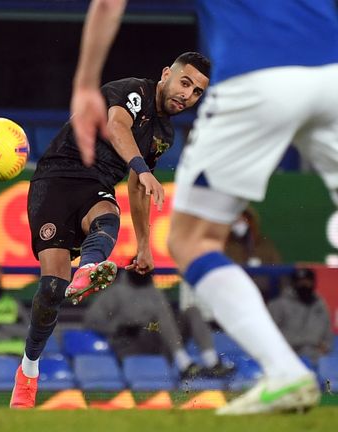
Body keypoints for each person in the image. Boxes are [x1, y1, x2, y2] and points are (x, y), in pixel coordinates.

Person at [70, 0, 338, 415]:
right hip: (333, 72)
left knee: (192, 240)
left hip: (256, 75)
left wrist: (86, 83)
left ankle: (285, 372)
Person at [11, 52, 210, 408]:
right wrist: (142, 168)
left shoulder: (164, 134)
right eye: (185, 82)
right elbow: (117, 126)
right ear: (166, 73)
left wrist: (146, 245)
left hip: (96, 185)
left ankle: (89, 266)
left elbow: (137, 187)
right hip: (56, 179)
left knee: (107, 215)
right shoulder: (132, 90)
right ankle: (28, 371)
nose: (188, 95)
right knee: (52, 290)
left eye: (197, 92)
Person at [82, 267, 232, 380]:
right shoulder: (115, 293)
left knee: (192, 311)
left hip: (160, 341)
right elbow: (91, 320)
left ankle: (211, 362)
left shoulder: (155, 292)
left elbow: (167, 323)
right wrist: (118, 328)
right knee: (159, 316)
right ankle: (184, 364)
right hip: (132, 342)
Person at [268, 268, 333, 366]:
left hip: (315, 356)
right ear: (294, 284)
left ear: (313, 282)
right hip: (287, 356)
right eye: (300, 282)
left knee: (328, 380)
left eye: (307, 281)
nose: (304, 285)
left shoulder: (320, 305)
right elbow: (268, 330)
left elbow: (328, 331)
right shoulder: (279, 304)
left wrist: (326, 347)